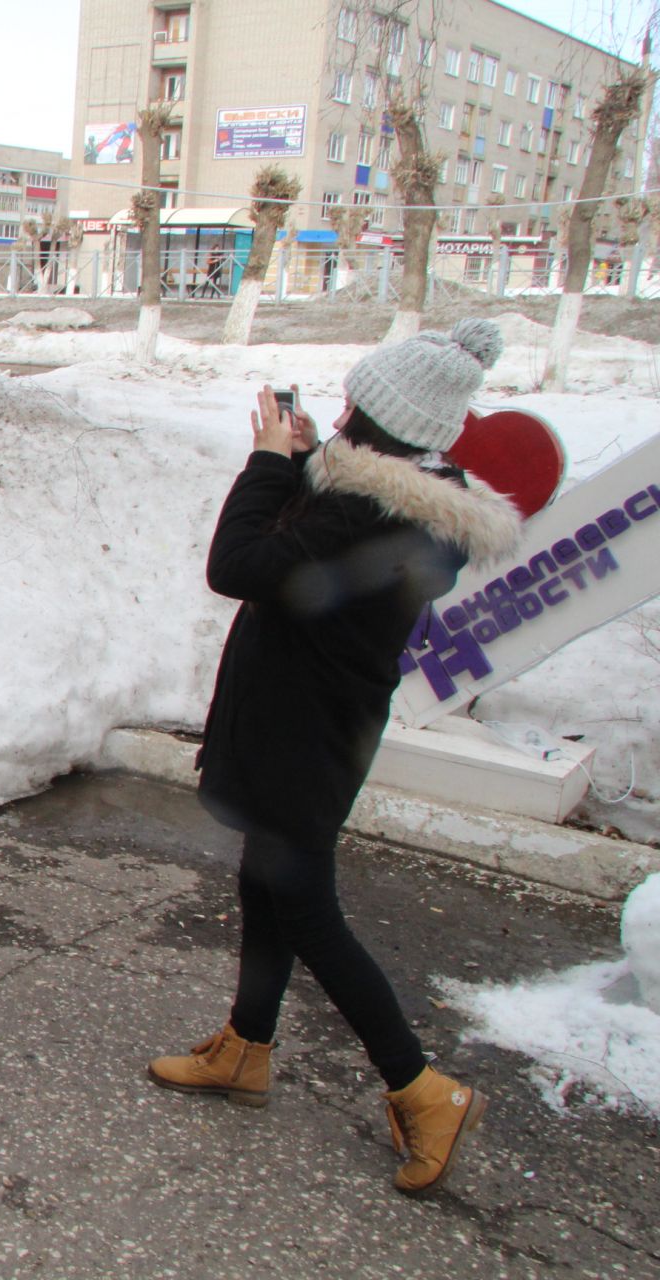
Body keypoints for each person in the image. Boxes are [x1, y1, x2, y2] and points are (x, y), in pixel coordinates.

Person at [149, 319, 522, 1196]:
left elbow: (239, 564)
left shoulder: (362, 510)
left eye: (356, 404)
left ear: (381, 424)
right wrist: (312, 463)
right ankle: (246, 1048)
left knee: (310, 914)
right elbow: (307, 553)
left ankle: (423, 1091)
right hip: (315, 730)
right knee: (266, 883)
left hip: (297, 738)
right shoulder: (397, 502)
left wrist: (273, 461)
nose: (342, 410)